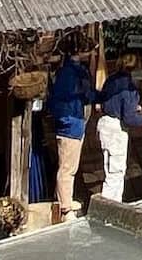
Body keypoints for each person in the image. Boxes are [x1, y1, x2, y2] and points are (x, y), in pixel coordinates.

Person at [96, 53, 142, 203]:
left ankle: (110, 205)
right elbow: (129, 119)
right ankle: (110, 208)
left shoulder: (111, 79)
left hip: (104, 124)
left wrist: (131, 107)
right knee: (116, 173)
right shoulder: (129, 88)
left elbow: (104, 100)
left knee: (108, 168)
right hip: (116, 129)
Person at [47, 50, 95, 220]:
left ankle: (63, 200)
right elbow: (84, 96)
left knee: (67, 166)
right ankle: (66, 209)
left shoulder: (65, 73)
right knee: (67, 168)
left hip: (70, 123)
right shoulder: (74, 75)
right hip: (71, 124)